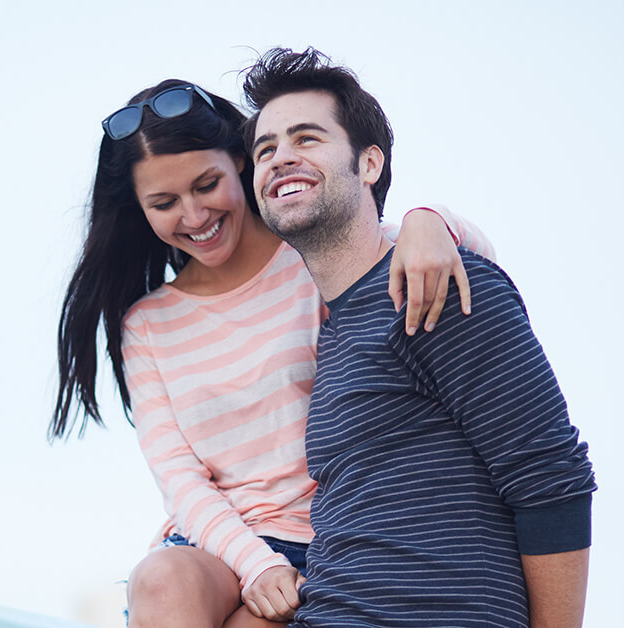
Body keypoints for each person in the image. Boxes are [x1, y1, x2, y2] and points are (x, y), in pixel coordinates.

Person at [51, 79, 495, 627]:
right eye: (164, 203)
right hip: (220, 550)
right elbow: (180, 479)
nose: (194, 215)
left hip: (331, 540)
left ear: (239, 161)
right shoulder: (145, 326)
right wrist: (258, 565)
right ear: (140, 210)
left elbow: (474, 255)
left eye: (207, 185)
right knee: (160, 580)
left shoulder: (313, 257)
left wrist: (431, 219)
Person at [242, 47, 597, 627]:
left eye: (306, 138)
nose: (281, 158)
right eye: (265, 150)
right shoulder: (332, 333)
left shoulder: (433, 286)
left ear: (369, 164)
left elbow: (550, 479)